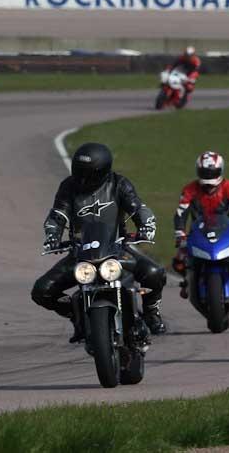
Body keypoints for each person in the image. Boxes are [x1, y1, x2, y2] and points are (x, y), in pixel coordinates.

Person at [32, 142, 167, 341]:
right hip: (80, 253)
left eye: (89, 173)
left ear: (102, 171)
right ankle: (78, 316)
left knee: (154, 274)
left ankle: (151, 312)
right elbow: (58, 214)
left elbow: (138, 208)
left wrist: (146, 226)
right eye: (79, 171)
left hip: (118, 249)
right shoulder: (68, 186)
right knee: (42, 291)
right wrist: (53, 234)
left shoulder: (119, 183)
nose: (83, 178)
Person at [172, 151, 229, 299]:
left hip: (225, 231)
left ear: (220, 171)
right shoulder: (190, 189)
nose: (209, 178)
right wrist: (180, 232)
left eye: (212, 173)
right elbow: (181, 213)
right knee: (178, 261)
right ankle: (187, 280)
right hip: (199, 231)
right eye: (205, 173)